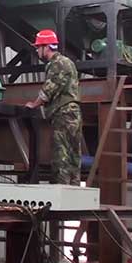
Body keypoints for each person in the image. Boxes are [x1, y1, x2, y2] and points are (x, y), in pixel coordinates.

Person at [25, 29, 82, 185]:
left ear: (46, 47)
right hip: (73, 114)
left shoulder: (57, 64)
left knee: (61, 155)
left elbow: (48, 91)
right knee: (73, 154)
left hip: (63, 113)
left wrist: (34, 104)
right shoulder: (68, 62)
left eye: (38, 47)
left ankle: (61, 189)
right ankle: (75, 188)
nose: (37, 51)